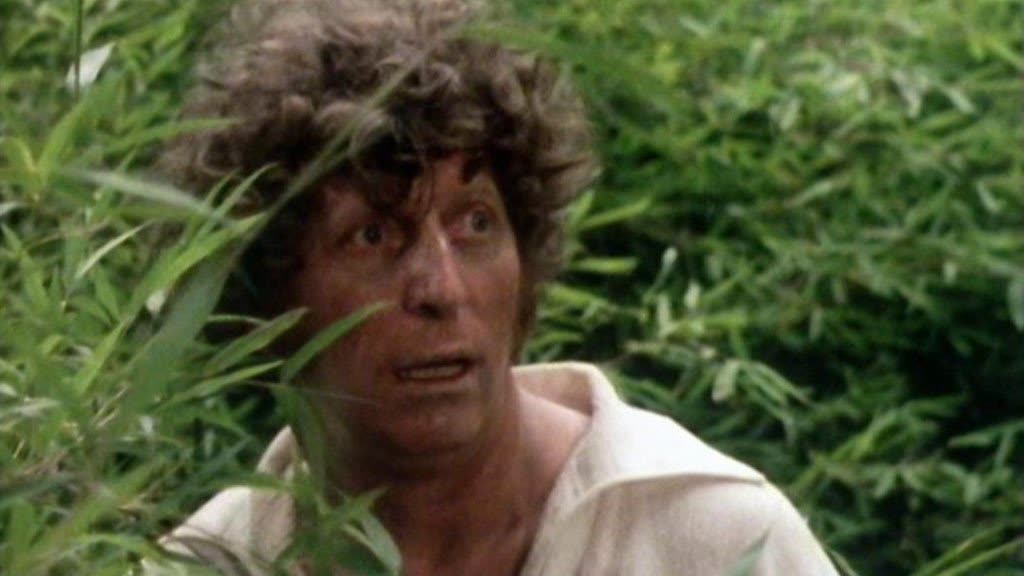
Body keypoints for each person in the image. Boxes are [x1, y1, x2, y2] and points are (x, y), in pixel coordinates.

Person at [151, 0, 840, 574]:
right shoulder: (210, 563)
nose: (442, 288)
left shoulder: (710, 536)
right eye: (374, 235)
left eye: (475, 223)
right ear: (268, 293)